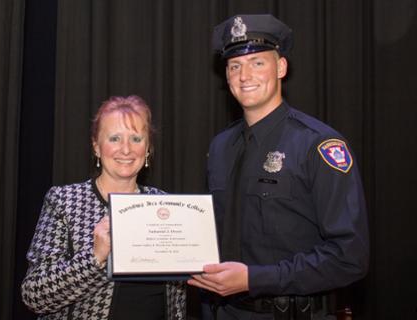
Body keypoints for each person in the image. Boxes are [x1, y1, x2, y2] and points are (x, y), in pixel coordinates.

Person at [187, 14, 369, 320]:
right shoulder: (219, 147)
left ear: (281, 67)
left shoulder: (318, 145)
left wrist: (254, 280)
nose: (245, 75)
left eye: (257, 62)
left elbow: (349, 257)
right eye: (234, 66)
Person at [21, 95, 186, 320]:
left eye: (136, 139)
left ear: (147, 148)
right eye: (115, 138)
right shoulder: (65, 202)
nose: (126, 149)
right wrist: (95, 258)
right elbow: (34, 295)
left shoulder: (164, 205)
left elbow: (176, 297)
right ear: (96, 147)